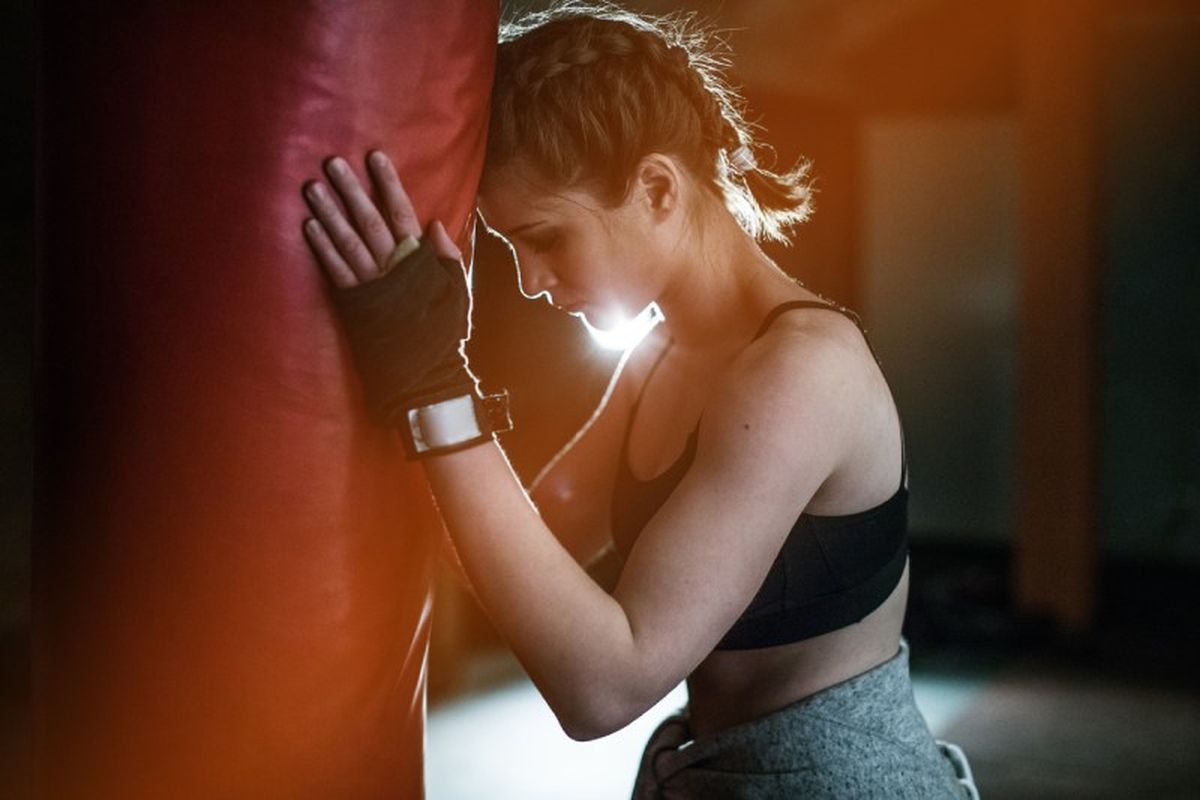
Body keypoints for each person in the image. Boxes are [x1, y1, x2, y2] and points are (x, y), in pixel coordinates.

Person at [301, 3, 979, 797]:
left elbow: (605, 687)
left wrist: (437, 386)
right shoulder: (662, 357)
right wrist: (399, 373)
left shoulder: (803, 373)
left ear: (658, 187)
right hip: (700, 773)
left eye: (546, 237)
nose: (529, 282)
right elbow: (518, 558)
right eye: (512, 247)